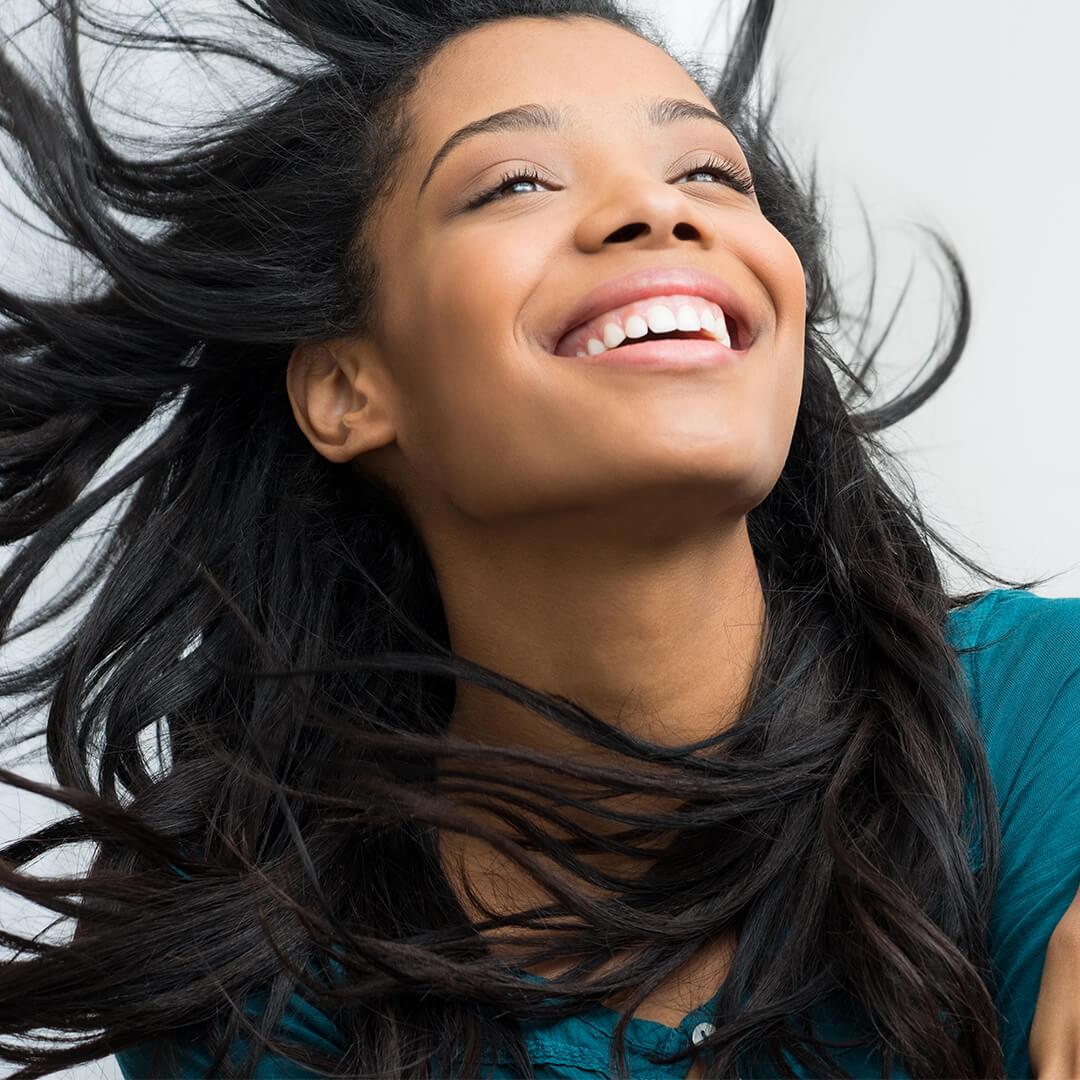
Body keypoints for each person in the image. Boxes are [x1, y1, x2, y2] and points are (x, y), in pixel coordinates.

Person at [0, 0, 1076, 1077]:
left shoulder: (1042, 719)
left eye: (709, 172)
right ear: (347, 389)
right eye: (515, 182)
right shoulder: (250, 950)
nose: (656, 210)